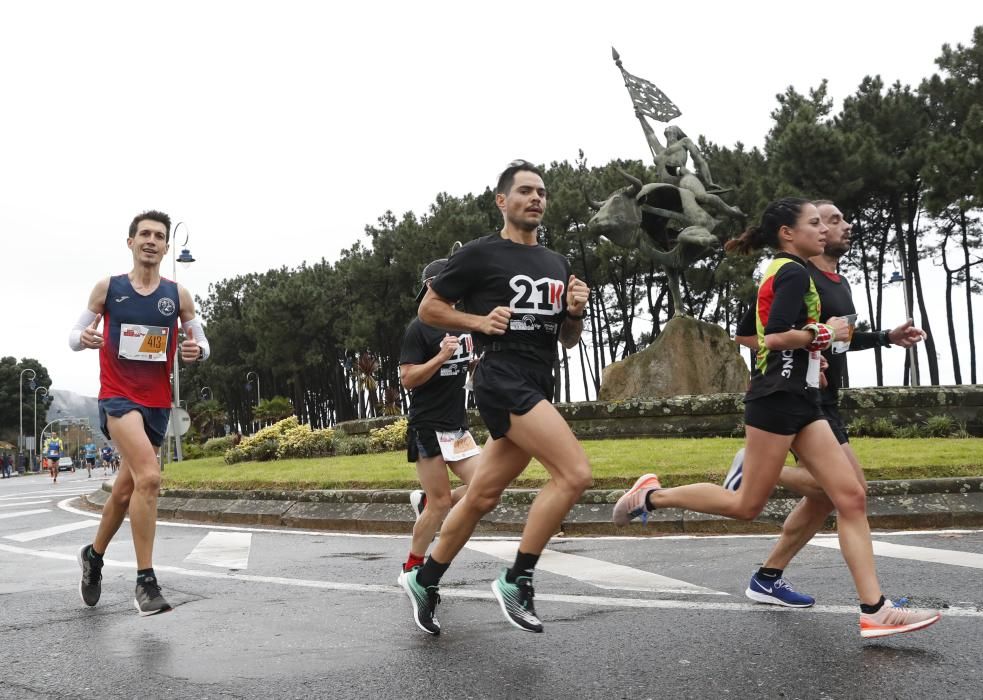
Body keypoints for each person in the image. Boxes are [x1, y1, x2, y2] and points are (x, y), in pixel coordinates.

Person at [613, 197, 941, 639]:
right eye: (814, 224)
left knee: (849, 496)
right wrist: (823, 335)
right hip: (775, 400)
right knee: (745, 506)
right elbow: (771, 337)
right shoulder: (788, 271)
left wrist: (821, 348)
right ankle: (652, 496)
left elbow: (785, 337)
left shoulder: (798, 271)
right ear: (788, 232)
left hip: (806, 400)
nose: (823, 231)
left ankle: (874, 609)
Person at [401, 160, 592, 635]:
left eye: (542, 192)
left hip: (537, 376)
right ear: (502, 201)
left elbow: (566, 340)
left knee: (482, 495)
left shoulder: (556, 263)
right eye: (525, 191)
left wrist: (574, 314)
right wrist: (478, 323)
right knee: (574, 474)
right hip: (501, 375)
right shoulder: (479, 254)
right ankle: (517, 578)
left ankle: (425, 578)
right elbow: (430, 307)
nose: (536, 198)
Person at [720, 200, 928, 609]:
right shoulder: (797, 272)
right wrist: (801, 353)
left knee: (835, 495)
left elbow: (840, 339)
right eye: (829, 220)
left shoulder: (838, 283)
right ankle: (872, 604)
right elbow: (752, 334)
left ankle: (768, 575)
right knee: (849, 493)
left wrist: (886, 337)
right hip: (796, 398)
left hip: (824, 400)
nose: (842, 226)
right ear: (799, 231)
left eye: (837, 219)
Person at [70, 210, 210, 616]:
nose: (151, 240)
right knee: (149, 477)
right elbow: (72, 335)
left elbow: (202, 343)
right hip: (117, 398)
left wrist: (196, 351)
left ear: (166, 247)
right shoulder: (108, 288)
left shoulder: (177, 296)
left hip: (156, 403)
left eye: (159, 236)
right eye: (144, 234)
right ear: (130, 242)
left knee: (125, 489)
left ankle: (93, 557)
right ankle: (145, 582)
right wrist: (84, 337)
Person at [396, 257, 480, 599]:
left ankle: (428, 503)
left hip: (456, 429)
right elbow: (407, 379)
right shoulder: (419, 328)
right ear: (432, 286)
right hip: (428, 428)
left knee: (486, 488)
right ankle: (411, 567)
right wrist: (440, 358)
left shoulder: (463, 324)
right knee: (441, 505)